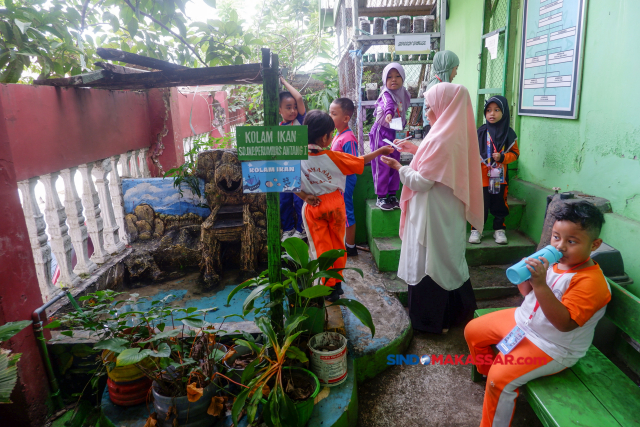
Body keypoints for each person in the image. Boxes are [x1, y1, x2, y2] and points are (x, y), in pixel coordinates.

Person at [464, 201, 610, 427]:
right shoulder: (556, 261)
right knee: (472, 330)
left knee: (500, 380)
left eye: (571, 241)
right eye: (555, 237)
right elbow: (528, 294)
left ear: (595, 244)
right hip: (524, 321)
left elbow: (565, 323)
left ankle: (495, 400)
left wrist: (540, 284)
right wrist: (527, 278)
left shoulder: (591, 283)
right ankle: (488, 372)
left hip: (552, 345)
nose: (560, 247)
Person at [382, 83, 485, 334]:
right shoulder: (452, 132)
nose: (427, 110)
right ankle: (455, 315)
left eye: (430, 105)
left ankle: (431, 322)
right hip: (445, 211)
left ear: (444, 105)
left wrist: (398, 168)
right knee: (447, 258)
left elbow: (422, 181)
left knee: (430, 261)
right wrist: (414, 150)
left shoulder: (442, 137)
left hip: (433, 212)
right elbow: (438, 165)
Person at [297, 110, 393, 301]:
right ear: (325, 137)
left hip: (314, 205)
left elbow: (286, 181)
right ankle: (337, 284)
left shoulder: (296, 157)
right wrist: (380, 151)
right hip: (335, 204)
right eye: (331, 134)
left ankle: (326, 287)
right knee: (338, 245)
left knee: (321, 247)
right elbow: (360, 161)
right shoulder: (334, 156)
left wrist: (305, 196)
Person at [469, 95, 520, 245]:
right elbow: (471, 151)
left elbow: (515, 154)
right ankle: (476, 229)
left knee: (499, 204)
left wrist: (503, 157)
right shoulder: (480, 132)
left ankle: (499, 230)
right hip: (481, 178)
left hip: (499, 177)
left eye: (497, 110)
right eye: (489, 110)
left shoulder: (509, 134)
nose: (492, 114)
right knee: (480, 204)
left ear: (504, 112)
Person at [370, 63, 411, 211]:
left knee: (395, 162)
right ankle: (381, 197)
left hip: (396, 131)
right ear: (384, 80)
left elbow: (404, 110)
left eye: (397, 76)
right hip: (382, 132)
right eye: (389, 77)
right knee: (382, 163)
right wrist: (389, 114)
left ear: (403, 77)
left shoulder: (404, 93)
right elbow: (388, 106)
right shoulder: (386, 94)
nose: (393, 80)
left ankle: (392, 195)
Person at [329, 98, 359, 257]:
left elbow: (353, 163)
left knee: (347, 212)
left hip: (346, 181)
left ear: (346, 118)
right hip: (338, 181)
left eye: (333, 114)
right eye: (329, 112)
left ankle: (351, 247)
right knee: (342, 212)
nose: (330, 116)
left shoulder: (348, 138)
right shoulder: (338, 135)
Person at [279, 76, 306, 241]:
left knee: (298, 201)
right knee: (284, 201)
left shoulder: (299, 121)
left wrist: (283, 82)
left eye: (294, 107)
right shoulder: (278, 127)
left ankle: (301, 229)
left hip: (300, 168)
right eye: (288, 108)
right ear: (279, 110)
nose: (293, 111)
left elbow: (299, 98)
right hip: (284, 170)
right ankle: (287, 229)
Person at [423, 50, 459, 133]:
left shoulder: (435, 82)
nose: (456, 73)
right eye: (455, 68)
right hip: (434, 128)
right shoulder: (438, 88)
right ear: (447, 68)